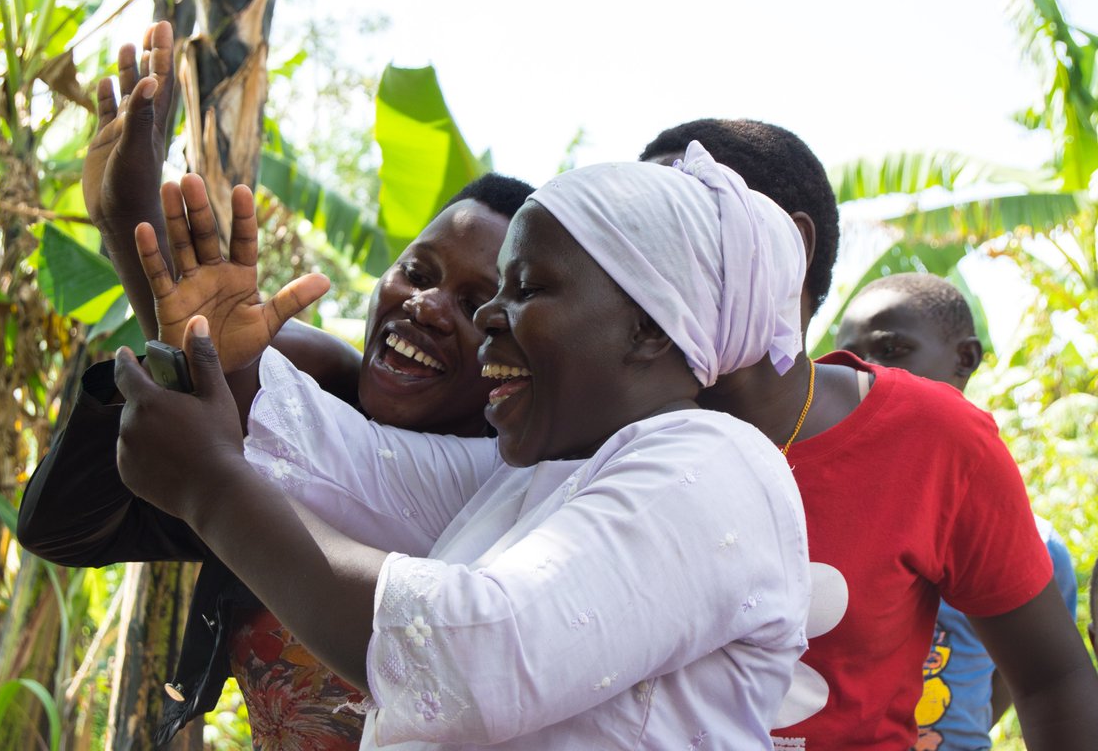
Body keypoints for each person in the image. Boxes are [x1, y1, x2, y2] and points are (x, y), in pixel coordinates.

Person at [111, 142, 813, 749]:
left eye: (527, 287)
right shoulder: (525, 477)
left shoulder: (715, 464)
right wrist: (158, 267)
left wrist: (213, 491)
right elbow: (329, 456)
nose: (486, 316)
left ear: (648, 330)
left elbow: (477, 653)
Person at [18, 22, 536, 748]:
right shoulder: (275, 452)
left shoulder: (514, 495)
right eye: (418, 273)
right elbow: (63, 528)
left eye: (476, 307)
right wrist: (143, 264)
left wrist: (133, 232)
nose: (425, 305)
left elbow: (294, 414)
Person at [639, 118, 1098, 750]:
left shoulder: (934, 439)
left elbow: (1051, 680)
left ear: (785, 248)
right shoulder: (589, 430)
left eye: (676, 225)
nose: (635, 262)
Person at [836, 272, 1079, 751]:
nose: (865, 370)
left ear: (964, 358)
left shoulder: (1039, 548)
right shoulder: (827, 520)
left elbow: (1032, 680)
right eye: (848, 356)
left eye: (890, 348)